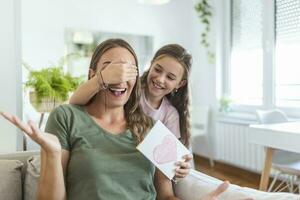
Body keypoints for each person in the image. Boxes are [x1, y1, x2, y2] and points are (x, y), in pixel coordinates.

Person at [1, 38, 230, 200]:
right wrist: (51, 155)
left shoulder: (153, 129)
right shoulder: (67, 117)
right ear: (93, 75)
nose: (120, 77)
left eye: (129, 70)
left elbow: (166, 195)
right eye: (111, 68)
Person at [70, 43, 193, 180]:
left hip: (139, 169)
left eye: (170, 77)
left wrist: (178, 169)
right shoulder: (128, 91)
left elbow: (168, 161)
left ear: (180, 84)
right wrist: (102, 77)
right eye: (157, 70)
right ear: (151, 64)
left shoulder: (170, 115)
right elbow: (74, 103)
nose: (160, 79)